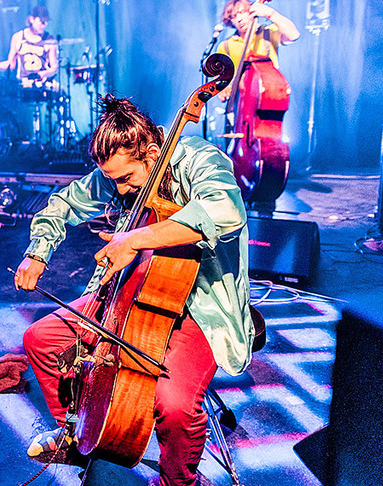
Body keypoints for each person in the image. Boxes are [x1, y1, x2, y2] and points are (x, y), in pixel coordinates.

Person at [14, 96, 254, 485]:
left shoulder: (198, 159)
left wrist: (136, 238)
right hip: (132, 291)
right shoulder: (121, 170)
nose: (121, 189)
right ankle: (77, 434)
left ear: (153, 153)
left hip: (200, 304)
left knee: (175, 404)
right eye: (113, 180)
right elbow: (62, 204)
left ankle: (178, 481)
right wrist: (37, 253)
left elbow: (225, 210)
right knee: (42, 339)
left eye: (126, 178)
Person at [215, 0, 300, 98]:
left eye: (242, 12)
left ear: (251, 11)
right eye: (233, 16)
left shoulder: (268, 32)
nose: (239, 19)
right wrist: (222, 88)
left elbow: (293, 35)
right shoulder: (225, 45)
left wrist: (271, 14)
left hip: (269, 94)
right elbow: (219, 77)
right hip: (240, 99)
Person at [0, 5, 59, 85]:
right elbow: (11, 64)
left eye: (46, 22)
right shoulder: (18, 37)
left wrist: (43, 74)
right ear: (32, 19)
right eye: (41, 21)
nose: (44, 25)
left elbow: (54, 68)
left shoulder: (49, 40)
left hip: (42, 84)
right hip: (23, 84)